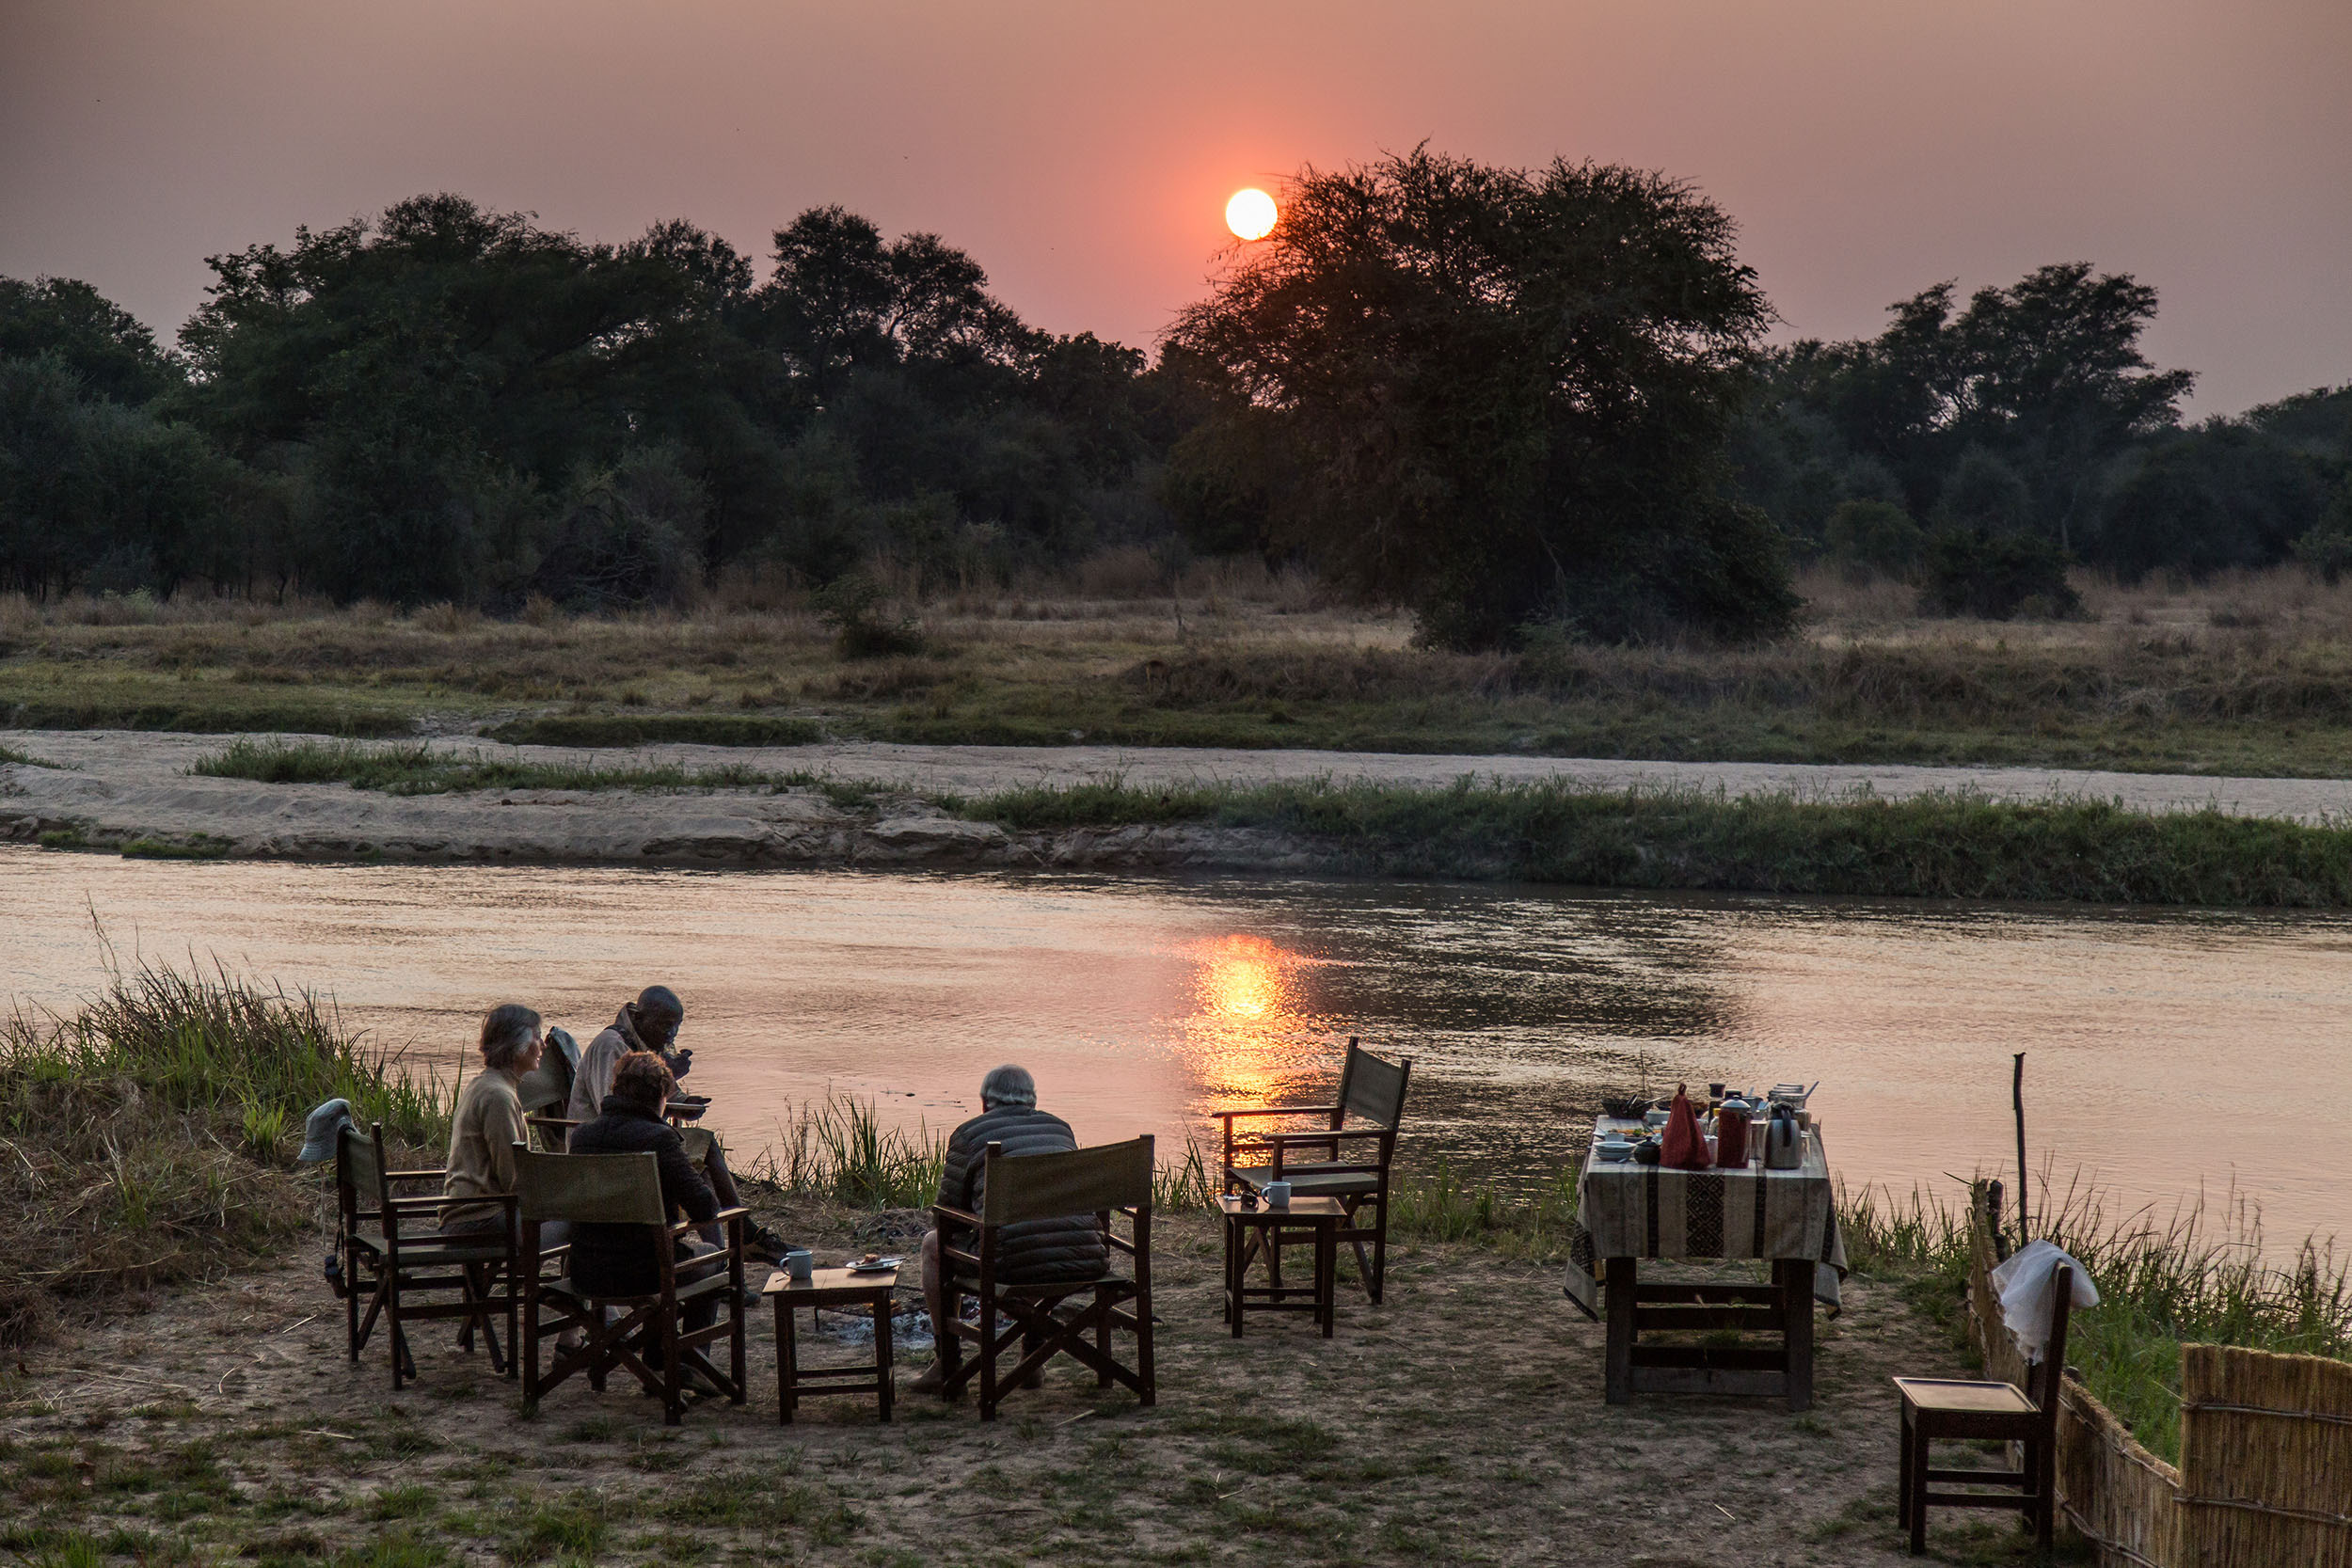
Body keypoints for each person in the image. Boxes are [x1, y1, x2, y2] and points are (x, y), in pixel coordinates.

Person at [911, 1064, 1108, 1397]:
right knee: (1032, 1239)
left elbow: (946, 1217)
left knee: (934, 1244)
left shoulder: (969, 1134)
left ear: (985, 1103)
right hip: (1085, 1258)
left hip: (1009, 1264)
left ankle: (947, 1361)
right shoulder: (1061, 1130)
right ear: (1032, 1101)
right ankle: (1032, 1355)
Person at [564, 984, 789, 1263]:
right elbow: (614, 1110)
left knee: (704, 1157)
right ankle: (735, 1241)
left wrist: (684, 1102)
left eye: (676, 1027)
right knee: (704, 1150)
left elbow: (650, 1102)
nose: (671, 1034)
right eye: (665, 1025)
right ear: (640, 1018)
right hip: (608, 1154)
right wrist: (668, 1072)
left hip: (624, 1142)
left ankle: (721, 1260)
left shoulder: (645, 1046)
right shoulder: (611, 1045)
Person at [565, 1050, 731, 1375]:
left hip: (587, 1271)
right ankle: (687, 1362)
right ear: (660, 1095)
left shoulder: (583, 1137)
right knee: (711, 1257)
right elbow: (707, 1207)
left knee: (667, 1255)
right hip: (647, 1272)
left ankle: (658, 1356)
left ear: (615, 1089)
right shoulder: (659, 1138)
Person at [440, 1003, 549, 1243]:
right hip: (479, 1219)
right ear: (517, 1047)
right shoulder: (498, 1096)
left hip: (474, 1212)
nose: (542, 1045)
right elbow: (513, 1176)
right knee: (580, 1224)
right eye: (538, 1037)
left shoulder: (486, 1084)